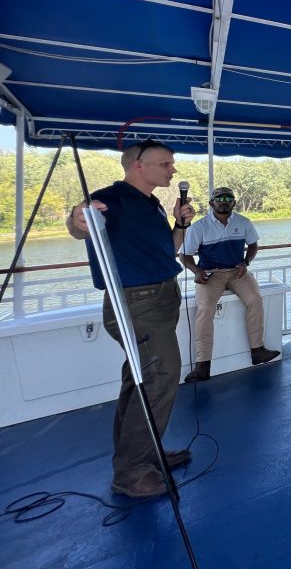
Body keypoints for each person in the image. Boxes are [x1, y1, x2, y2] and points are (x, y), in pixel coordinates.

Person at [65, 139, 196, 498]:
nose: (173, 170)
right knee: (163, 373)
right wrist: (76, 218)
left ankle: (145, 451)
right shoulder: (114, 199)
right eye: (165, 164)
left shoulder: (150, 203)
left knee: (139, 379)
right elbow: (83, 221)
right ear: (138, 165)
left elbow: (169, 250)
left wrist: (180, 224)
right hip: (136, 303)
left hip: (160, 297)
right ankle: (132, 472)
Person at [179, 187, 279, 382]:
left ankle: (258, 351)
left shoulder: (243, 223)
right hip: (210, 274)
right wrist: (197, 272)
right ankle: (202, 366)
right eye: (219, 198)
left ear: (233, 202)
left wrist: (246, 262)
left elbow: (253, 245)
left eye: (228, 198)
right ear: (211, 203)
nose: (224, 201)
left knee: (255, 300)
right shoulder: (199, 227)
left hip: (237, 272)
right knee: (205, 310)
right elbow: (184, 255)